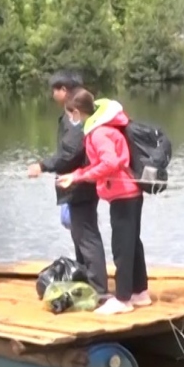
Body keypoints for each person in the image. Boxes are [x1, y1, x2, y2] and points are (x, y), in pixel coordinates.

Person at [56, 89, 150, 315]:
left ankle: (123, 299)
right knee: (132, 243)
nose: (72, 119)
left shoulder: (98, 133)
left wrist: (82, 176)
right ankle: (140, 292)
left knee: (122, 247)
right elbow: (104, 162)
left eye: (71, 114)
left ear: (77, 112)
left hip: (123, 193)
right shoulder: (105, 127)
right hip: (130, 192)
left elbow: (110, 162)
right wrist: (77, 175)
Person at [27, 70, 108, 297]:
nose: (52, 93)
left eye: (55, 89)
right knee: (80, 235)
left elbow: (70, 152)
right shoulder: (71, 115)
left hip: (81, 186)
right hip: (74, 185)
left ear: (64, 90)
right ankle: (88, 281)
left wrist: (42, 166)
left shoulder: (76, 117)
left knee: (87, 237)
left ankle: (99, 289)